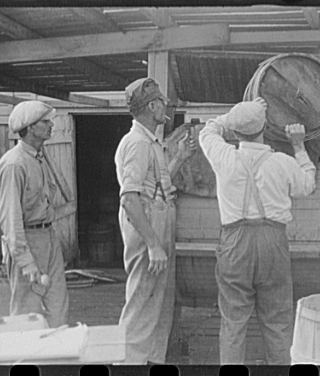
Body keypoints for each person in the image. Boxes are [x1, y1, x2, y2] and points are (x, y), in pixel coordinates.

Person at [199, 97, 316, 364]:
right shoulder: (283, 162)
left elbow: (209, 130)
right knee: (277, 322)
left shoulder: (223, 156)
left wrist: (237, 115)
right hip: (273, 242)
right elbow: (308, 185)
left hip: (234, 244)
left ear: (236, 132)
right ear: (264, 127)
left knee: (233, 322)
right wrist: (299, 145)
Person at [115, 77, 196, 364]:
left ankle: (150, 360)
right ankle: (128, 362)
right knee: (141, 302)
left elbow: (157, 187)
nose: (166, 106)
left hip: (158, 218)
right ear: (151, 106)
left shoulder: (151, 142)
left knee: (159, 303)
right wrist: (152, 244)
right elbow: (129, 198)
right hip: (147, 225)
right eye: (162, 101)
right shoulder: (136, 143)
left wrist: (180, 159)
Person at [0, 100, 69, 328]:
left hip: (48, 237)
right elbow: (10, 220)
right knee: (28, 312)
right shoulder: (14, 165)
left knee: (58, 305)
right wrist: (26, 262)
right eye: (44, 122)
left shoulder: (39, 156)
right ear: (29, 129)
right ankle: (27, 362)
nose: (51, 125)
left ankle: (57, 358)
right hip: (26, 240)